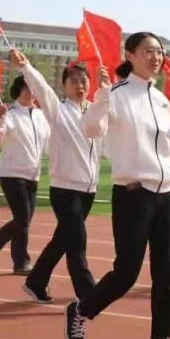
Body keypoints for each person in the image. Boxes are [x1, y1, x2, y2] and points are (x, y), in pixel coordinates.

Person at [70, 32, 170, 339]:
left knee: (166, 272)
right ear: (130, 56)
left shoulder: (161, 100)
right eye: (148, 51)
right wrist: (102, 98)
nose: (156, 57)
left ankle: (161, 337)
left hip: (166, 193)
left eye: (159, 51)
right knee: (127, 272)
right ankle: (81, 310)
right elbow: (90, 129)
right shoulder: (115, 94)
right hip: (134, 193)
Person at [13, 51, 102, 305]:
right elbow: (42, 89)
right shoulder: (58, 111)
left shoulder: (95, 113)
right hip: (65, 190)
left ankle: (36, 281)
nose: (80, 86)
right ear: (64, 86)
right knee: (77, 243)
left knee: (62, 240)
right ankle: (88, 294)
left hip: (88, 190)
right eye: (73, 82)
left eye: (83, 81)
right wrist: (26, 67)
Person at [0, 75, 50, 275]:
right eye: (26, 89)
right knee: (22, 218)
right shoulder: (11, 114)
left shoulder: (41, 116)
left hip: (33, 174)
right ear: (17, 91)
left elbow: (49, 143)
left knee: (24, 220)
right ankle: (21, 262)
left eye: (33, 89)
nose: (30, 93)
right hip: (12, 173)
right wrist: (0, 118)